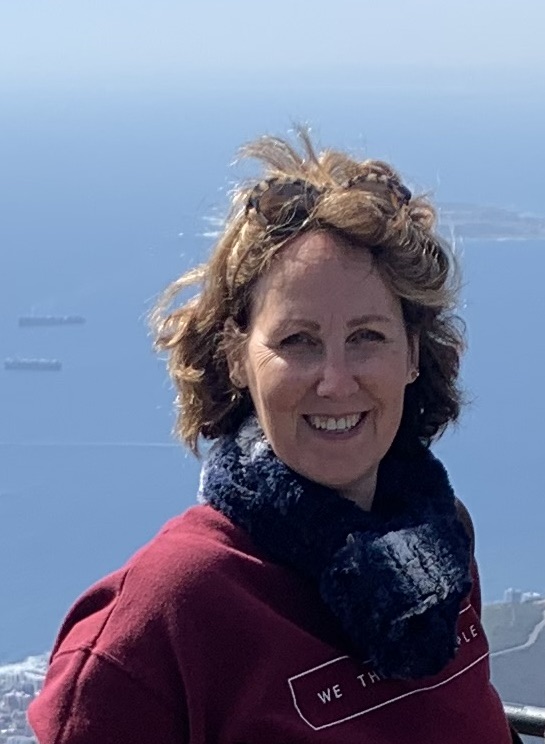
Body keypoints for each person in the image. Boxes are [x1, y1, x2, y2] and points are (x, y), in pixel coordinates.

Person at [28, 130, 515, 743]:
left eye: (367, 337)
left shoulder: (438, 542)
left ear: (413, 354)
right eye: (297, 341)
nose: (335, 381)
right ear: (237, 357)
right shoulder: (159, 622)